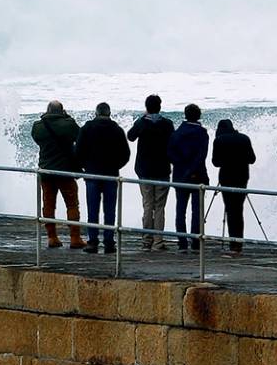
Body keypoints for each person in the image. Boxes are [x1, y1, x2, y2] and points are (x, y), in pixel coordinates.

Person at [74, 101, 130, 254]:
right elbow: (126, 154)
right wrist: (115, 166)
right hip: (111, 175)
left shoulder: (86, 129)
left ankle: (92, 242)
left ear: (96, 113)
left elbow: (78, 152)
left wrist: (86, 166)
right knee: (110, 210)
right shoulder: (117, 130)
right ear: (109, 113)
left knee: (93, 209)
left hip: (92, 174)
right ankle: (109, 242)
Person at [30, 100, 84, 250]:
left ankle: (52, 237)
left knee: (48, 205)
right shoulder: (68, 124)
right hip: (65, 172)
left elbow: (36, 138)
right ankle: (75, 238)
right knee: (72, 204)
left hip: (46, 171)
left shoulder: (38, 126)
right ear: (61, 111)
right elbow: (79, 137)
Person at [126, 95, 174, 251]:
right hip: (162, 169)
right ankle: (158, 242)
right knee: (159, 206)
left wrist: (141, 119)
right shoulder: (167, 124)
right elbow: (173, 142)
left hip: (145, 170)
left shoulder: (142, 123)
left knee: (147, 204)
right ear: (160, 107)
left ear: (146, 107)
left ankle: (147, 240)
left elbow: (130, 136)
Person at [167, 104, 210, 252]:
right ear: (199, 116)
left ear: (185, 115)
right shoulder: (202, 133)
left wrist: (183, 168)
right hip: (198, 175)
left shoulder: (177, 133)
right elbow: (201, 156)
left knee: (180, 210)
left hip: (180, 176)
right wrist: (192, 170)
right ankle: (196, 242)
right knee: (197, 211)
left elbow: (170, 154)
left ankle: (182, 243)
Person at [211, 118, 256, 254]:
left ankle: (233, 243)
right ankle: (239, 242)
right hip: (242, 178)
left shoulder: (218, 140)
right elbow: (252, 159)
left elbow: (216, 162)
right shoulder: (244, 138)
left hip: (226, 179)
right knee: (238, 209)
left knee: (230, 210)